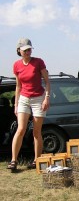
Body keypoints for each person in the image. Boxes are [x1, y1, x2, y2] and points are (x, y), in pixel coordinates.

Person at [7, 38, 50, 171]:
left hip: (38, 98)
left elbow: (47, 82)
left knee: (36, 132)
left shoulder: (38, 62)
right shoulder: (16, 65)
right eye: (25, 50)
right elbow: (18, 86)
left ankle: (37, 160)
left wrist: (46, 98)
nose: (27, 52)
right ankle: (14, 161)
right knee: (20, 129)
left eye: (29, 49)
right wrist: (16, 105)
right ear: (19, 51)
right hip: (24, 99)